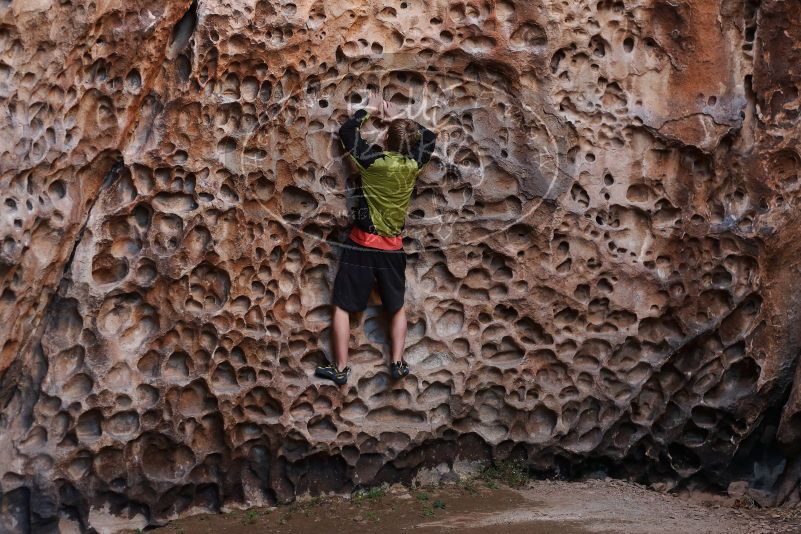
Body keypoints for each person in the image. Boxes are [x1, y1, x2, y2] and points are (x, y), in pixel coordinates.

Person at [315, 97, 437, 385]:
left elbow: (347, 132)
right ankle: (397, 362)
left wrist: (368, 111)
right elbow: (429, 137)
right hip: (392, 249)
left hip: (361, 244)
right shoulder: (412, 165)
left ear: (386, 138)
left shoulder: (373, 161)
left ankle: (341, 368)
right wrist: (399, 118)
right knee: (396, 307)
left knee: (342, 306)